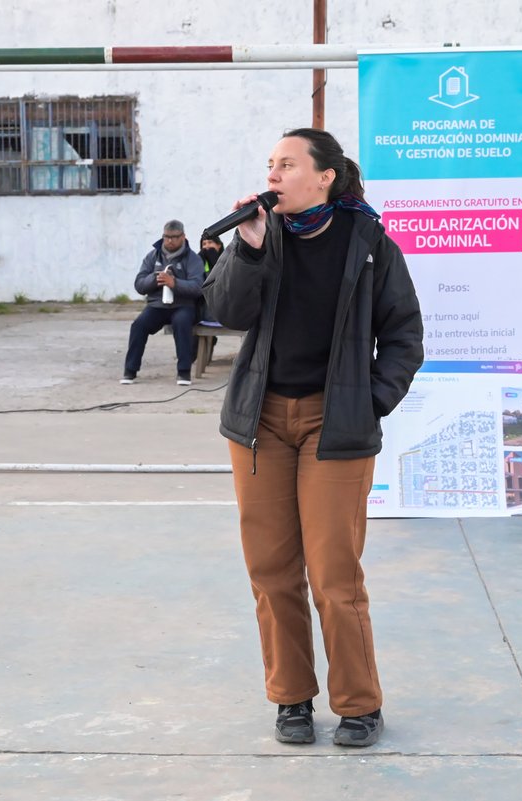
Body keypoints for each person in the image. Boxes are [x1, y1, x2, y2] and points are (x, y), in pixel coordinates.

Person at [202, 127, 423, 748]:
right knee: (271, 569)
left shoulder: (368, 241)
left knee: (332, 573)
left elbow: (404, 334)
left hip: (336, 422)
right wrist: (244, 250)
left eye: (287, 165)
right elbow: (226, 313)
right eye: (269, 165)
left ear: (324, 176)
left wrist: (368, 402)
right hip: (259, 421)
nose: (272, 176)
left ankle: (359, 704)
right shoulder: (260, 236)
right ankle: (292, 699)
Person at [120, 219, 205, 386]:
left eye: (174, 237)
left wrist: (175, 283)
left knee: (182, 322)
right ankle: (130, 371)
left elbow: (198, 287)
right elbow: (139, 284)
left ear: (183, 237)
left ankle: (183, 372)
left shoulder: (193, 259)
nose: (170, 241)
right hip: (157, 305)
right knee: (139, 325)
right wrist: (154, 279)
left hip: (183, 306)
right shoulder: (152, 257)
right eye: (166, 237)